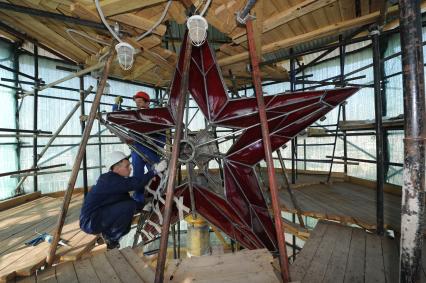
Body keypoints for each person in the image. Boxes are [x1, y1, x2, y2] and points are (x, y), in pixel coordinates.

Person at [79, 151, 167, 249]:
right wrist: (154, 171)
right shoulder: (109, 180)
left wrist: (142, 206)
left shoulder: (116, 182)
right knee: (129, 207)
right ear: (116, 168)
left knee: (127, 222)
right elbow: (135, 184)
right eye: (127, 166)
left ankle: (109, 235)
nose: (130, 168)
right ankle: (111, 239)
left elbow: (126, 199)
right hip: (90, 222)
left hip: (97, 216)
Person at [130, 91, 166, 204]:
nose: (137, 104)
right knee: (137, 174)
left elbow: (162, 135)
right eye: (136, 102)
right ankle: (138, 198)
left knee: (157, 171)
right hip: (136, 149)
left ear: (147, 103)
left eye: (140, 102)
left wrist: (158, 146)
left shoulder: (155, 116)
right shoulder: (133, 116)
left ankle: (159, 194)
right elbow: (129, 131)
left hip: (150, 149)